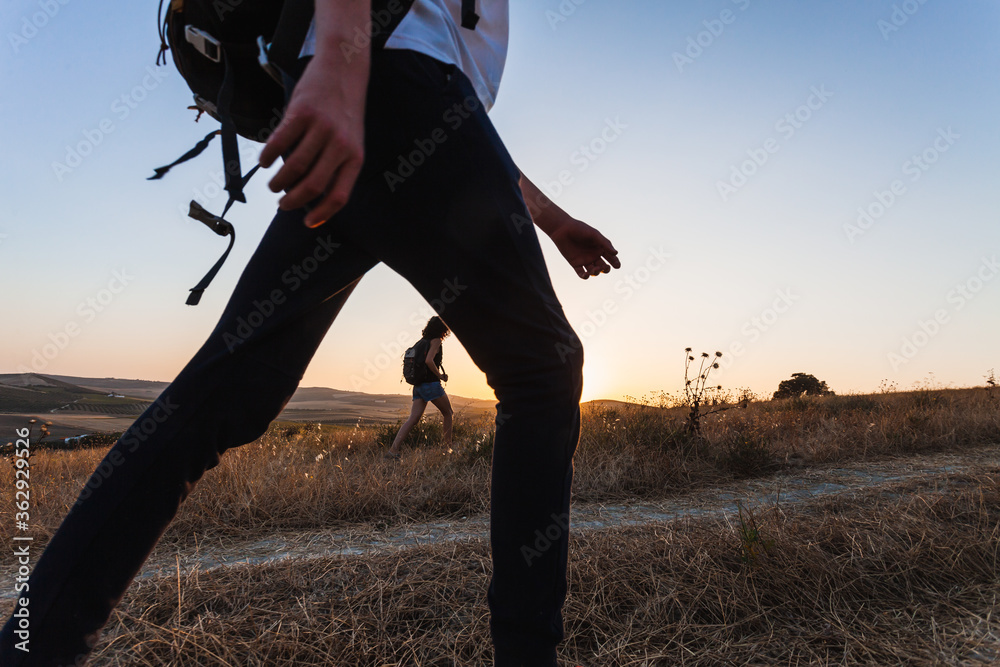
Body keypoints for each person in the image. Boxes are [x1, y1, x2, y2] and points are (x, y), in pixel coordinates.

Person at [1, 1, 621, 666]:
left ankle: (29, 648)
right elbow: (431, 86)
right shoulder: (386, 60)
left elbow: (465, 128)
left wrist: (552, 221)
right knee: (543, 372)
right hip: (389, 87)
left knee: (221, 392)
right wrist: (339, 64)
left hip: (392, 100)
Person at [386, 316, 453, 459]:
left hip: (418, 386)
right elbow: (429, 360)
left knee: (413, 419)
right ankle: (447, 449)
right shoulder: (436, 341)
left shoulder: (421, 342)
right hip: (431, 384)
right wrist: (440, 376)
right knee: (448, 413)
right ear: (442, 329)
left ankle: (393, 450)